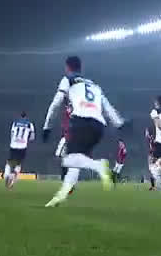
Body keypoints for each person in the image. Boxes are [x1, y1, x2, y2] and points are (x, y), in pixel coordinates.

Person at [41, 55, 124, 207]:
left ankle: (99, 166)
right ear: (81, 68)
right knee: (75, 161)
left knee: (67, 160)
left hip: (81, 122)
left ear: (67, 67)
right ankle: (61, 196)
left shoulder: (68, 80)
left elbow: (56, 103)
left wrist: (47, 127)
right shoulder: (94, 85)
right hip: (99, 126)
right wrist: (119, 124)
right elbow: (107, 107)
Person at [5, 111, 34, 188]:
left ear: (20, 116)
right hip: (22, 146)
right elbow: (32, 137)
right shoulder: (29, 124)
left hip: (13, 145)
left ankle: (7, 175)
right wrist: (26, 140)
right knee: (18, 164)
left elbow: (12, 134)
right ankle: (13, 177)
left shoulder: (15, 123)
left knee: (9, 162)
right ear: (26, 117)